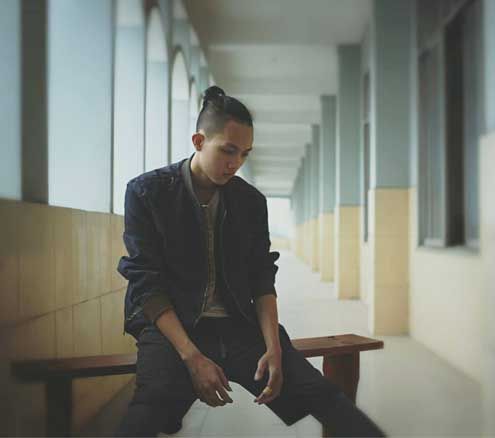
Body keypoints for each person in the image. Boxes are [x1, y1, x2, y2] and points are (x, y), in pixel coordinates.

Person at [114, 85, 386, 437]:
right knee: (149, 409)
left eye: (244, 154)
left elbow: (261, 276)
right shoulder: (147, 192)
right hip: (173, 329)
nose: (236, 163)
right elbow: (145, 283)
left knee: (324, 395)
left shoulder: (249, 201)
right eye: (228, 150)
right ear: (198, 141)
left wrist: (274, 348)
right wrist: (192, 357)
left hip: (239, 326)